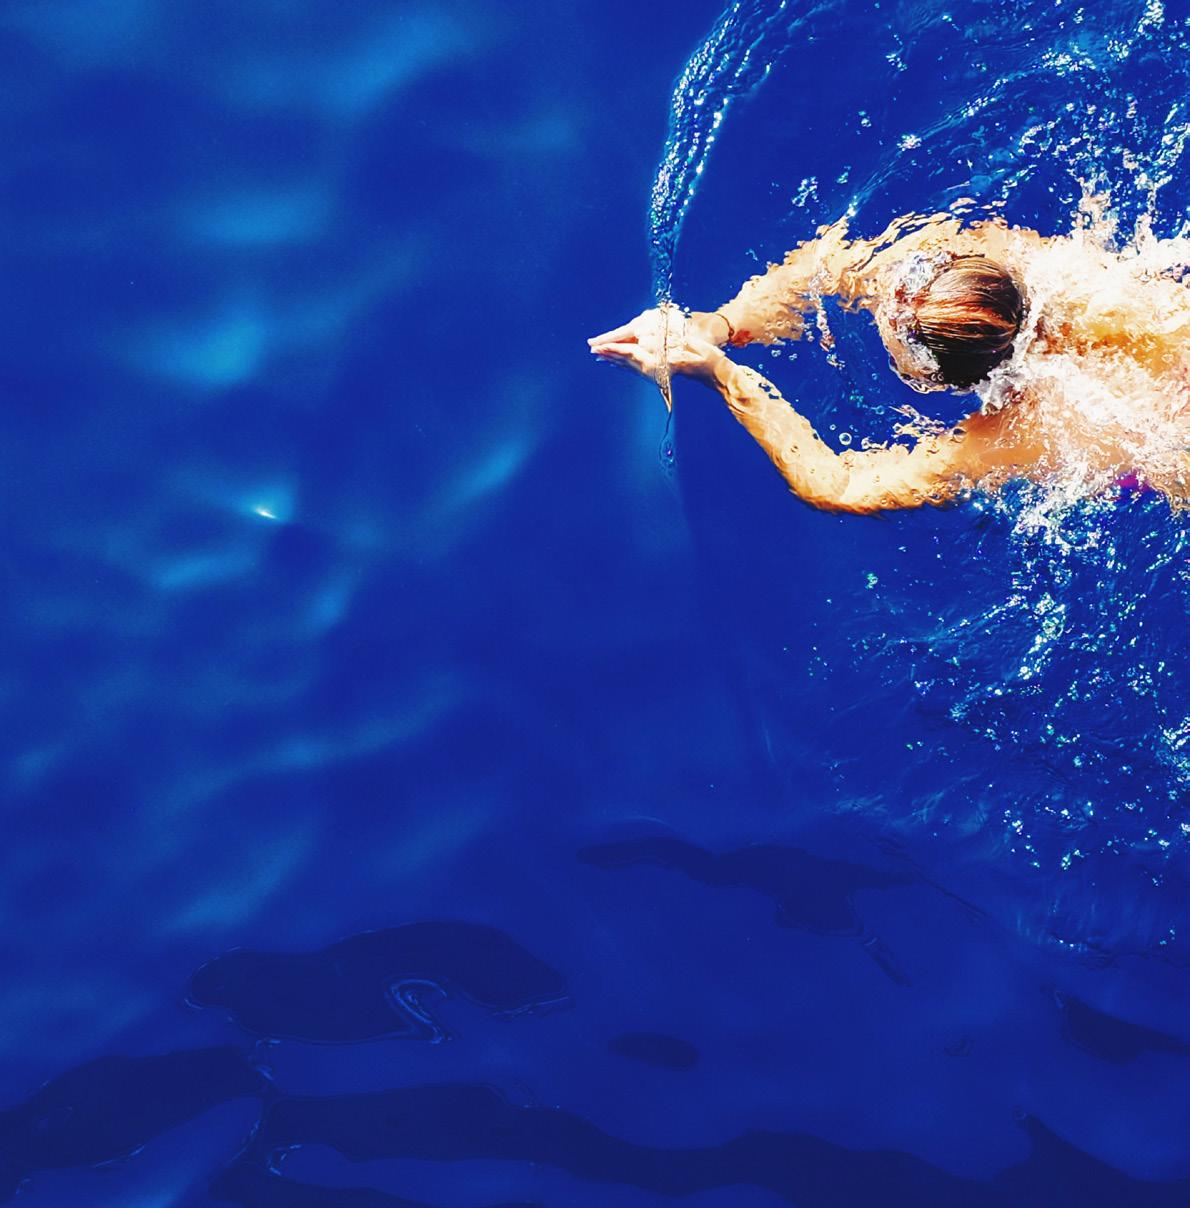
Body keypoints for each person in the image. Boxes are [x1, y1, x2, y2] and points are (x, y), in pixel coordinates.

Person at [589, 213, 1189, 513]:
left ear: (932, 377)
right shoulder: (1010, 268)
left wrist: (722, 375)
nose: (882, 294)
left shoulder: (1021, 430)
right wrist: (716, 325)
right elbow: (827, 264)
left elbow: (838, 486)